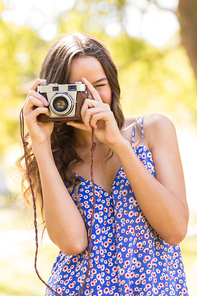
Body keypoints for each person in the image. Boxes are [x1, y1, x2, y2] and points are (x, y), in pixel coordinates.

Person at [17, 32, 189, 295]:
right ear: (53, 94)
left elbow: (175, 230)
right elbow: (73, 243)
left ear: (113, 85)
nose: (90, 98)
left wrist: (118, 144)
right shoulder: (54, 154)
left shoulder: (153, 130)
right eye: (77, 89)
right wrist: (41, 146)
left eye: (99, 85)